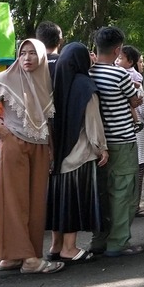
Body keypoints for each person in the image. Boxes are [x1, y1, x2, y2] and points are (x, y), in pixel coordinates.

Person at [0, 38, 64, 275]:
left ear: (42, 57)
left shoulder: (45, 80)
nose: (27, 58)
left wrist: (51, 147)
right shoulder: (5, 78)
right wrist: (0, 129)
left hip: (40, 146)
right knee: (14, 201)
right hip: (14, 143)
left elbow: (46, 120)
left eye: (32, 53)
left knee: (35, 204)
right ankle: (28, 258)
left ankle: (16, 256)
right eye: (23, 53)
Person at [46, 43, 107, 263]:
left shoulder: (54, 83)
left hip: (58, 156)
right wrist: (102, 148)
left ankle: (56, 245)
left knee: (59, 201)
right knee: (72, 201)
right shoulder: (85, 85)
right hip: (79, 154)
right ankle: (69, 249)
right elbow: (92, 122)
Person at [88, 27, 143, 257]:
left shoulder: (88, 73)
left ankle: (98, 240)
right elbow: (134, 101)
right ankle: (118, 242)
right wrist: (137, 96)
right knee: (122, 192)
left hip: (97, 143)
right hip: (122, 140)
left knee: (101, 192)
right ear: (118, 49)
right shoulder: (120, 75)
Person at [117, 45, 144, 218]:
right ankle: (134, 207)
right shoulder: (134, 83)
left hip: (121, 134)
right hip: (135, 134)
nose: (143, 64)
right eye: (140, 61)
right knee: (137, 172)